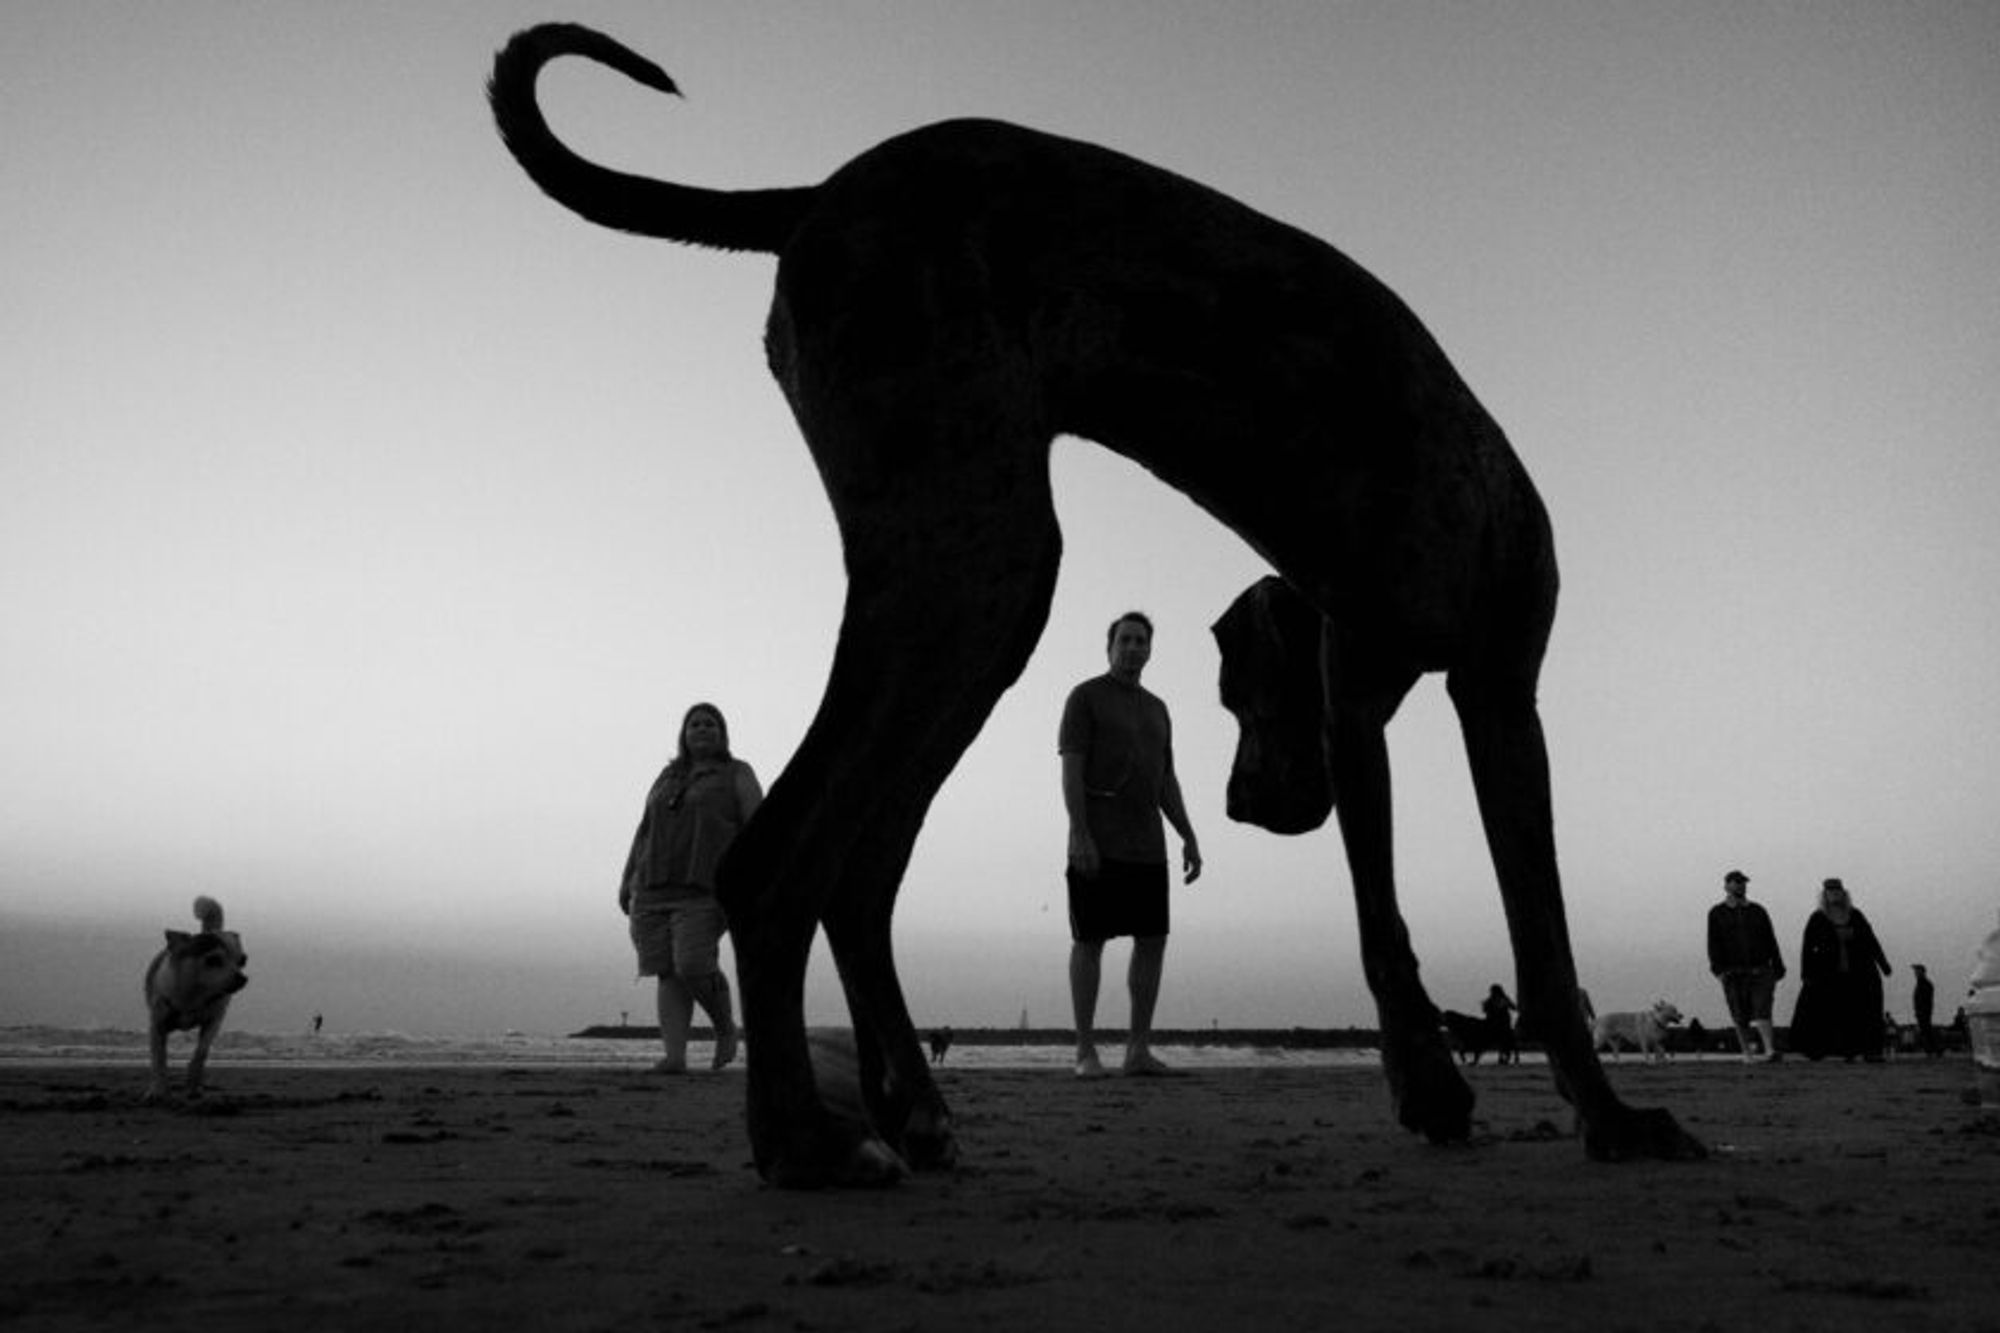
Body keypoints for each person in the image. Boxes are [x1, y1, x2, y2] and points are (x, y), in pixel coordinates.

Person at [1060, 611, 1202, 1078]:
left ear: (1150, 649)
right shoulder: (1085, 698)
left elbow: (1167, 779)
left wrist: (1187, 834)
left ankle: (1137, 1050)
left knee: (1153, 940)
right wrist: (1080, 833)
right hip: (1097, 841)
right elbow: (1072, 770)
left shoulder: (1158, 708)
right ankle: (1085, 1051)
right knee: (1090, 940)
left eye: (1141, 641)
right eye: (1125, 639)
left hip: (1147, 844)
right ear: (1110, 646)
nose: (1133, 647)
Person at [619, 702, 761, 1073]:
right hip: (650, 888)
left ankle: (725, 1027)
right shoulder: (668, 775)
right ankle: (675, 1056)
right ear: (684, 734)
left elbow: (758, 824)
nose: (702, 729)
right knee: (667, 971)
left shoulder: (736, 772)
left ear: (723, 733)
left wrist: (753, 877)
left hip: (706, 887)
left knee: (693, 964)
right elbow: (644, 829)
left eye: (710, 724)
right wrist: (626, 878)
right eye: (694, 724)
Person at [1788, 877, 1893, 1062]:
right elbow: (1807, 948)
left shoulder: (1856, 915)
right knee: (1829, 1012)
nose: (1834, 894)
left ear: (1843, 893)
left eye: (1837, 891)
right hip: (1827, 974)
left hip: (1859, 972)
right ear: (1825, 895)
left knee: (1860, 1011)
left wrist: (1883, 964)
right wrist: (1806, 973)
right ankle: (1825, 1050)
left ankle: (1867, 1050)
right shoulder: (1818, 918)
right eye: (1830, 891)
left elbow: (1870, 940)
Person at [1705, 868, 1786, 1063]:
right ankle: (1747, 1054)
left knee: (1763, 1008)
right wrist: (1718, 969)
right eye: (1735, 882)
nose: (1739, 885)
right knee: (1739, 1013)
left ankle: (1769, 1049)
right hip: (1732, 971)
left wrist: (1778, 965)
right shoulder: (1717, 913)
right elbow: (1713, 943)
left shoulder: (1758, 911)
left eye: (1742, 882)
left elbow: (1770, 938)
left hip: (1761, 968)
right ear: (1726, 886)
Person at [1481, 984, 1518, 1064]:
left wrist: (1505, 1005)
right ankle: (1502, 1056)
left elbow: (1514, 1007)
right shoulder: (1490, 1000)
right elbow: (1485, 1010)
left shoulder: (1504, 999)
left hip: (1503, 1023)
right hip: (1494, 1022)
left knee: (1505, 1038)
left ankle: (1504, 1056)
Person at [1911, 964, 1940, 1058]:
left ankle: (1933, 1050)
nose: (1915, 973)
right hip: (1922, 1011)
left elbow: (1925, 1000)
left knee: (1927, 1031)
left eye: (1917, 971)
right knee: (1926, 1031)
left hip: (1924, 1012)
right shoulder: (1921, 983)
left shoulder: (1925, 983)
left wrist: (1921, 1011)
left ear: (1922, 972)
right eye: (1915, 971)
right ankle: (1932, 1050)